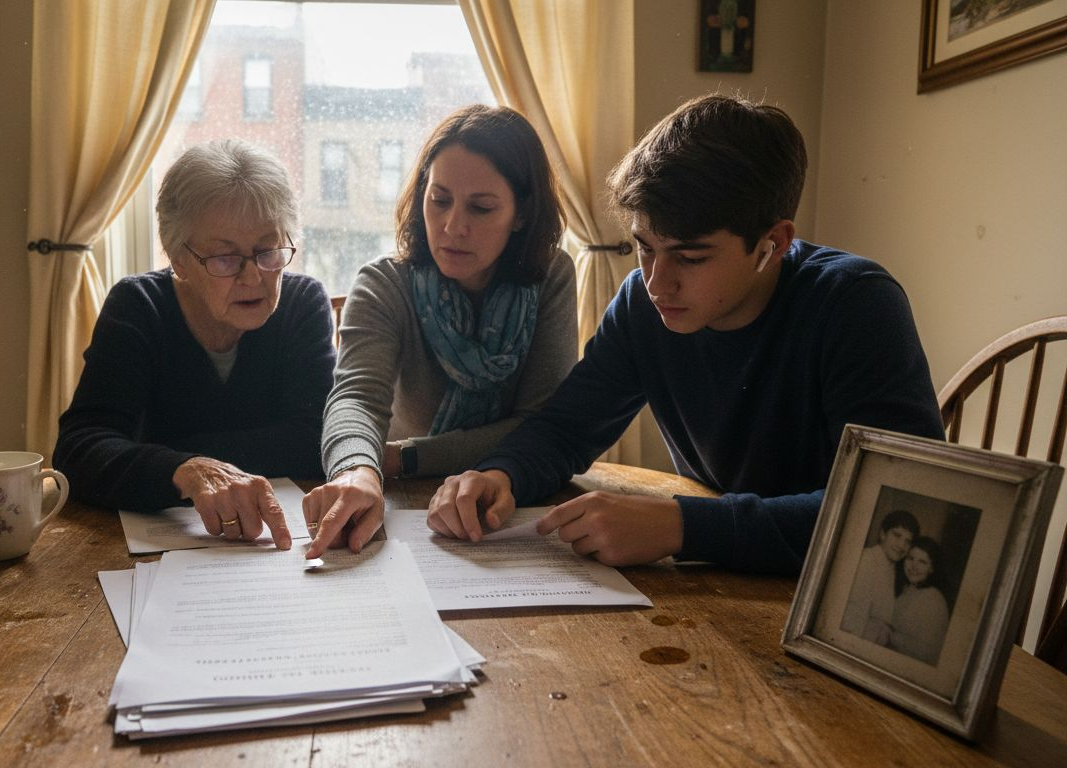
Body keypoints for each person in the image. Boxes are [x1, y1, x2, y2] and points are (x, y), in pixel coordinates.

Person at [427, 93, 946, 575]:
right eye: (645, 247)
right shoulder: (642, 302)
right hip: (729, 578)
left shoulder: (855, 304)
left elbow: (896, 508)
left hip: (838, 592)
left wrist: (680, 525)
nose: (657, 281)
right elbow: (567, 427)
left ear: (773, 243)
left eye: (691, 257)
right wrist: (501, 475)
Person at [302, 104, 578, 558]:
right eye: (440, 199)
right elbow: (354, 399)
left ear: (522, 214)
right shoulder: (383, 281)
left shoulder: (551, 277)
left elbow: (543, 424)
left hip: (511, 494)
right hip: (398, 499)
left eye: (481, 208)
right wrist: (358, 469)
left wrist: (407, 457)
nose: (453, 227)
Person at [53, 140, 336, 550]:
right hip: (158, 546)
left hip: (280, 541)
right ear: (177, 257)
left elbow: (313, 440)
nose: (254, 276)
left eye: (268, 251)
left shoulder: (302, 303)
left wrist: (159, 455)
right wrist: (182, 469)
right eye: (225, 258)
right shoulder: (139, 306)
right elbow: (78, 450)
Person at [840, 510, 919, 642]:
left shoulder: (893, 568)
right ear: (883, 534)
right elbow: (853, 620)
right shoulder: (866, 560)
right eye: (897, 535)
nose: (901, 545)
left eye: (908, 541)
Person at [888, 537, 951, 665]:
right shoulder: (908, 589)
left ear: (932, 568)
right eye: (910, 558)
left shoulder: (934, 600)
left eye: (922, 562)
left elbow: (927, 653)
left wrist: (890, 635)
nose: (914, 566)